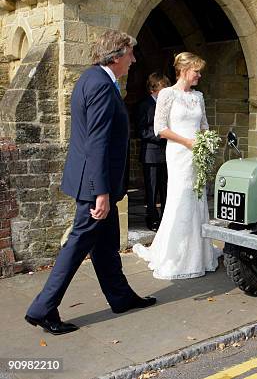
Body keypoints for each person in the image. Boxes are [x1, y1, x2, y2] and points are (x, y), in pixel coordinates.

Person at [25, 30, 156, 335]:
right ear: (116, 55)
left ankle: (121, 297)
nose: (134, 59)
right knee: (77, 245)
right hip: (95, 185)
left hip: (97, 181)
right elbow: (96, 142)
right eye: (130, 53)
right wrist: (101, 193)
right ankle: (42, 309)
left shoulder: (92, 78)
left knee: (107, 245)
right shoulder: (99, 85)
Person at [133, 52, 221, 280]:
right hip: (179, 153)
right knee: (180, 198)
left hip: (197, 155)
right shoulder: (166, 94)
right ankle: (176, 256)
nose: (199, 75)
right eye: (196, 71)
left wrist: (205, 140)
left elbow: (203, 125)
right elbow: (159, 128)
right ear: (184, 70)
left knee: (198, 198)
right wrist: (188, 142)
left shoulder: (198, 97)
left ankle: (200, 254)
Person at [138, 73, 170, 231]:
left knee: (166, 189)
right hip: (150, 154)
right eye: (162, 87)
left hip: (167, 154)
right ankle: (152, 219)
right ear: (153, 89)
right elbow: (142, 131)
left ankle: (165, 218)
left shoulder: (168, 105)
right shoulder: (144, 105)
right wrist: (161, 136)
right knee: (151, 190)